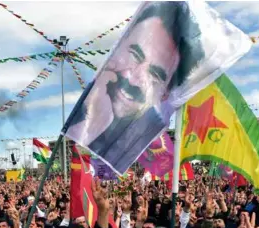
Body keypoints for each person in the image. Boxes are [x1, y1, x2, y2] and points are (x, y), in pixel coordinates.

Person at [64, 1, 205, 172]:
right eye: (134, 54)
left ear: (165, 93)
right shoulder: (81, 114)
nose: (132, 79)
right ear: (118, 47)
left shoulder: (143, 137)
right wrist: (88, 123)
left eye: (154, 74)